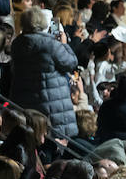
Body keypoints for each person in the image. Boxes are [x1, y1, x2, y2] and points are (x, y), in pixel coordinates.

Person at [8, 8, 79, 139]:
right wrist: (63, 44)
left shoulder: (17, 44)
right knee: (50, 142)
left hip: (25, 99)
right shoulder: (50, 43)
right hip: (51, 103)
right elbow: (70, 62)